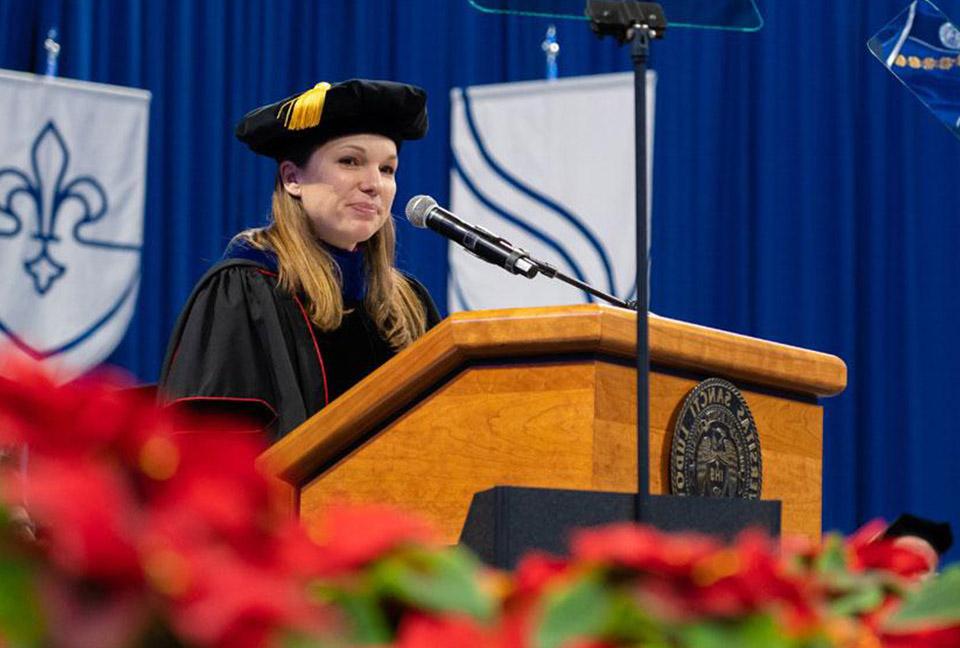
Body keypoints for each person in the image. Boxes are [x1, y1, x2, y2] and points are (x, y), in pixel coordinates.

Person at [158, 79, 440, 439]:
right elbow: (213, 450)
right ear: (292, 179)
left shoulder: (408, 303)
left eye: (387, 169)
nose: (374, 184)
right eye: (350, 161)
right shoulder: (247, 292)